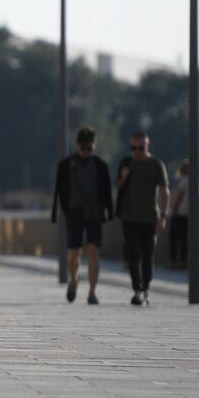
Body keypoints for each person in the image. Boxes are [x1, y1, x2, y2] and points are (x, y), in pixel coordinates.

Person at [51, 126, 114, 305]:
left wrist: (109, 212)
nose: (86, 152)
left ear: (94, 146)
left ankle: (92, 292)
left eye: (90, 148)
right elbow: (59, 191)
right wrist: (62, 211)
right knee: (74, 252)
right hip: (74, 211)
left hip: (94, 212)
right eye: (83, 148)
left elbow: (107, 192)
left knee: (93, 251)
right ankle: (74, 279)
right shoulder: (66, 164)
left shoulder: (101, 166)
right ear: (77, 145)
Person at [115, 131, 169, 306]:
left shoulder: (156, 165)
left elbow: (164, 191)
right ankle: (137, 289)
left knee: (148, 255)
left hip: (150, 218)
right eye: (134, 148)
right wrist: (124, 175)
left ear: (148, 145)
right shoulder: (127, 162)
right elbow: (118, 185)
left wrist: (163, 216)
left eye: (141, 147)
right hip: (129, 217)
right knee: (133, 254)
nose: (137, 151)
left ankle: (145, 288)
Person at [168, 159, 199, 269]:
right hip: (191, 214)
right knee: (185, 239)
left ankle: (174, 261)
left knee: (173, 236)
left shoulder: (184, 179)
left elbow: (179, 196)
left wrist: (173, 209)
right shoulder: (198, 180)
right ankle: (183, 261)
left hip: (180, 213)